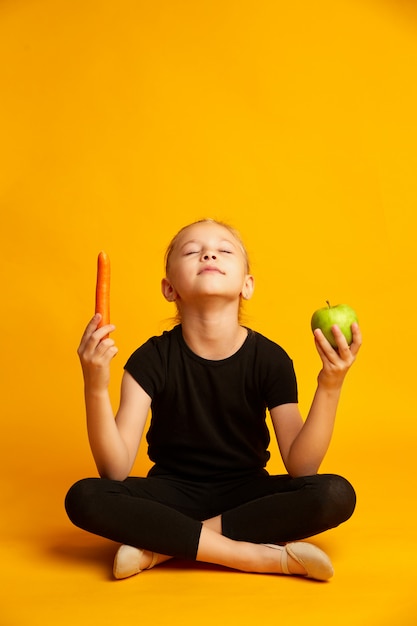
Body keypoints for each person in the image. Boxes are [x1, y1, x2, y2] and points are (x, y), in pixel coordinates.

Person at [65, 218, 361, 581]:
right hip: (169, 494)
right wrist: (94, 384)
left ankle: (161, 547)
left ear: (247, 285)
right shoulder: (149, 359)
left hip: (247, 497)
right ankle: (254, 557)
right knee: (84, 496)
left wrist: (330, 383)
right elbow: (114, 470)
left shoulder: (270, 359)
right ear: (169, 288)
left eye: (224, 250)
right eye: (192, 251)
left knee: (334, 493)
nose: (208, 253)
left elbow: (302, 467)